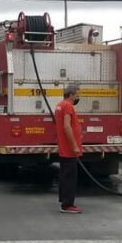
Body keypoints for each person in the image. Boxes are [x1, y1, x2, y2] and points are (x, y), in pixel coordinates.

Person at [55, 85, 83, 214]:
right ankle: (67, 205)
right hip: (69, 149)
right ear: (71, 95)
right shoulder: (68, 106)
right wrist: (74, 146)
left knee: (64, 175)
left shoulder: (60, 105)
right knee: (70, 177)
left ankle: (64, 201)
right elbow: (67, 127)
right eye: (77, 95)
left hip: (64, 148)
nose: (78, 97)